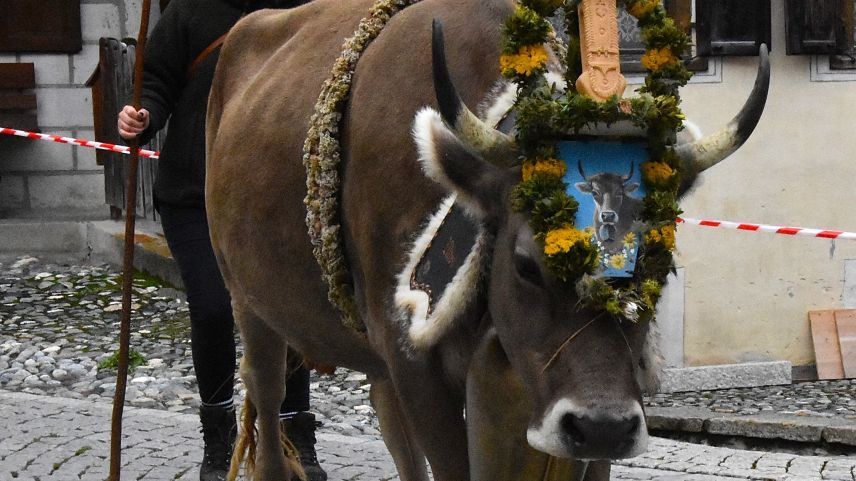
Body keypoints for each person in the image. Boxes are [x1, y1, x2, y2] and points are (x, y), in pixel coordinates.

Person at [116, 1, 323, 480]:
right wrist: (141, 115)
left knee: (284, 312)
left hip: (274, 196)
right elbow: (157, 81)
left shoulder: (298, 9)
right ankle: (219, 438)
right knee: (211, 309)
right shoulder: (189, 10)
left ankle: (295, 436)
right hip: (195, 193)